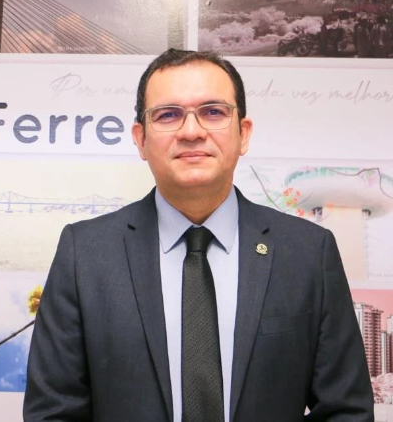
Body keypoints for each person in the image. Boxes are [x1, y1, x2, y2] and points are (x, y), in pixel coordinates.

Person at [23, 49, 374, 422]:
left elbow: (345, 411)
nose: (191, 132)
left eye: (213, 112)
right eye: (168, 115)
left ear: (243, 133)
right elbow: (53, 412)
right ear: (140, 139)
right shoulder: (85, 253)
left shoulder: (308, 253)